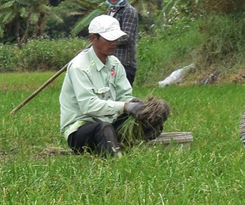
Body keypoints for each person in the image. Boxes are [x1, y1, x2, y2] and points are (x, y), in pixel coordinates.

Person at [60, 15, 168, 155]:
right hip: (81, 129)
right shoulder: (79, 67)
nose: (114, 43)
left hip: (110, 122)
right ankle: (115, 160)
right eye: (109, 39)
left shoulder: (115, 64)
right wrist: (124, 106)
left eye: (116, 39)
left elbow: (124, 95)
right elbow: (88, 106)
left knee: (159, 112)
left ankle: (122, 142)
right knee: (104, 128)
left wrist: (136, 105)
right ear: (94, 38)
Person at [98, 0, 140, 83]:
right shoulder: (111, 11)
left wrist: (103, 42)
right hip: (110, 62)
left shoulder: (128, 11)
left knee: (122, 98)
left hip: (124, 63)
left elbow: (126, 37)